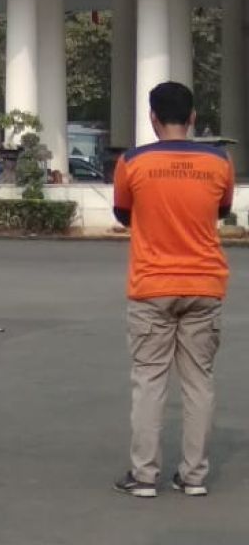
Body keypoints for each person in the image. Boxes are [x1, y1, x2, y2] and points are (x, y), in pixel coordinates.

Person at [111, 82, 235, 499]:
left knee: (149, 380)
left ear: (152, 118)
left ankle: (145, 476)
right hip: (204, 283)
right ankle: (194, 475)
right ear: (194, 117)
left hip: (152, 285)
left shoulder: (133, 162)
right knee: (199, 381)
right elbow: (221, 211)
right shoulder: (220, 162)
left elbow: (124, 214)